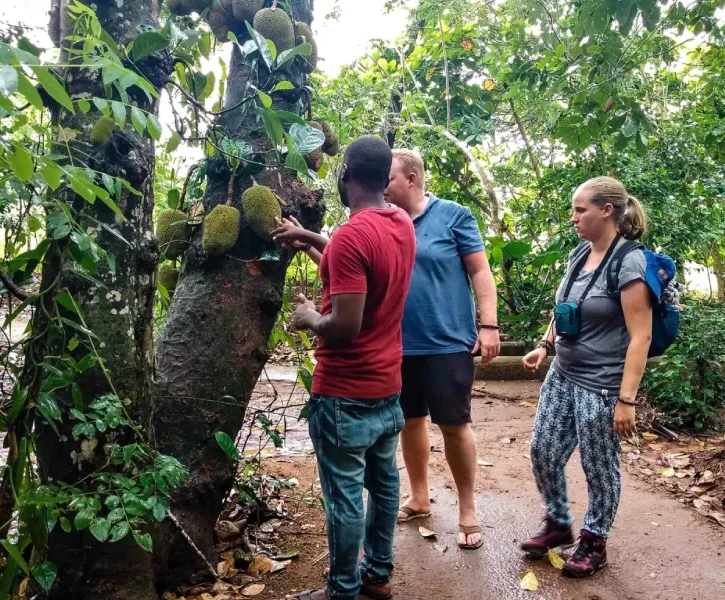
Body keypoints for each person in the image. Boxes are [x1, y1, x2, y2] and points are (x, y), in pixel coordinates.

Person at [276, 136, 417, 600]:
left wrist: (307, 317)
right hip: (386, 387)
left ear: (346, 174)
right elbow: (356, 263)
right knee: (384, 484)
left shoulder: (353, 237)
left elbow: (343, 326)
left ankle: (342, 590)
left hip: (344, 392)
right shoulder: (400, 223)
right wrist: (312, 238)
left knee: (344, 499)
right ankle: (377, 576)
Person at [520, 176, 652, 578]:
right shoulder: (580, 254)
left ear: (607, 211)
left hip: (601, 384)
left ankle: (595, 540)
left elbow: (641, 334)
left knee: (598, 467)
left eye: (581, 210)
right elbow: (564, 308)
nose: (574, 217)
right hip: (563, 373)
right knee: (543, 451)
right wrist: (545, 345)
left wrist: (625, 400)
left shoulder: (628, 261)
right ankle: (559, 523)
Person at [381, 149, 500, 550]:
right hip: (399, 343)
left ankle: (467, 509)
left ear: (411, 179)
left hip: (448, 341)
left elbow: (480, 270)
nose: (383, 185)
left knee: (453, 423)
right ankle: (419, 497)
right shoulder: (384, 220)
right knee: (410, 420)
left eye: (390, 178)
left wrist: (488, 325)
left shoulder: (454, 215)